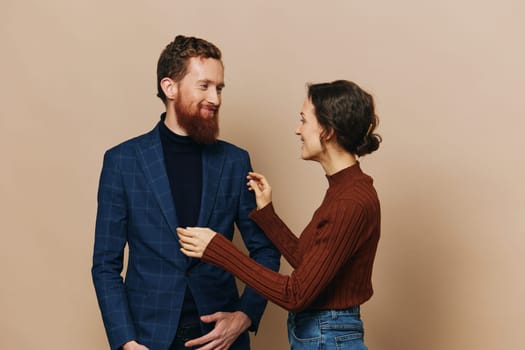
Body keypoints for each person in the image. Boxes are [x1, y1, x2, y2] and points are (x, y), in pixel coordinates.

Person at [91, 35, 280, 350]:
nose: (216, 98)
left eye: (219, 88)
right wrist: (125, 341)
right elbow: (105, 264)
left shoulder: (234, 161)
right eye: (204, 86)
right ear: (170, 87)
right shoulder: (122, 161)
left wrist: (245, 315)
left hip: (221, 341)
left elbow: (266, 251)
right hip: (148, 340)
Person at [177, 80, 382, 349]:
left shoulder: (351, 201)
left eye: (304, 120)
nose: (298, 130)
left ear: (328, 131)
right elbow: (307, 262)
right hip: (323, 333)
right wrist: (268, 214)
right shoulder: (344, 190)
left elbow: (295, 294)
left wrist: (218, 249)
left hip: (329, 337)